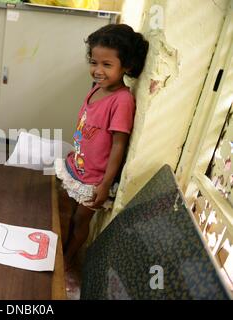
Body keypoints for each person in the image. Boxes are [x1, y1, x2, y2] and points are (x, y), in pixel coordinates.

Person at [55, 24, 149, 268]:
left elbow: (119, 144)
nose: (98, 70)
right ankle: (55, 251)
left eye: (107, 65)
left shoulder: (123, 100)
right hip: (77, 167)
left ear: (126, 66)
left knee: (80, 221)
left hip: (95, 180)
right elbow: (87, 126)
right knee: (65, 214)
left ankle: (68, 258)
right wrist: (75, 152)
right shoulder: (96, 89)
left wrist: (105, 183)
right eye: (94, 62)